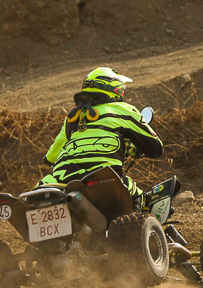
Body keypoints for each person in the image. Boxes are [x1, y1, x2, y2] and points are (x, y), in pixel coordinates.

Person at [38, 66, 163, 210]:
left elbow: (51, 156)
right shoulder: (124, 110)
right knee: (137, 196)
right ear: (115, 88)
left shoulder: (72, 117)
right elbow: (156, 148)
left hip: (63, 179)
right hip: (104, 176)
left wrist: (49, 159)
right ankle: (137, 224)